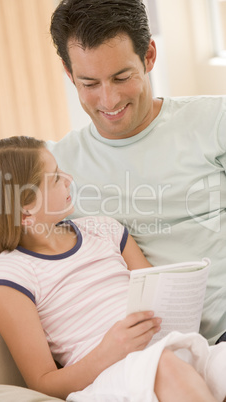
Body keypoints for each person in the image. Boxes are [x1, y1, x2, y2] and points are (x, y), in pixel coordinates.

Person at [0, 136, 226, 402]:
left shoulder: (104, 230)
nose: (68, 179)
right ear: (25, 212)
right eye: (55, 178)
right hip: (109, 375)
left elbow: (157, 293)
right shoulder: (11, 276)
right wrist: (109, 351)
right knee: (165, 366)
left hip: (174, 348)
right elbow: (43, 384)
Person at [48, 0, 226, 346]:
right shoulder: (55, 168)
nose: (109, 99)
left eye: (121, 77)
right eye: (89, 83)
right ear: (69, 75)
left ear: (149, 57)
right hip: (150, 352)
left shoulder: (214, 121)